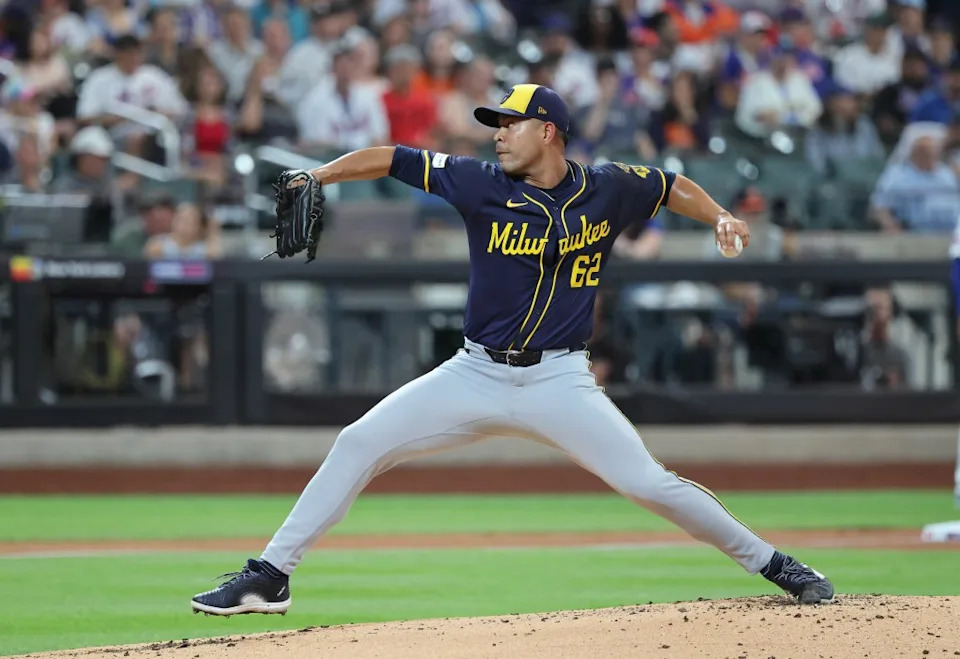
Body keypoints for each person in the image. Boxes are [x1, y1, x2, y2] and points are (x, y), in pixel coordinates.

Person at [190, 83, 834, 616]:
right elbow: (391, 157)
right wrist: (321, 174)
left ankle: (777, 564)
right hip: (473, 373)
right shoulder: (477, 182)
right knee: (358, 441)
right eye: (495, 125)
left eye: (511, 124)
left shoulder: (607, 188)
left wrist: (719, 214)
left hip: (561, 381)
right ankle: (270, 575)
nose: (497, 134)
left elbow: (670, 185)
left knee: (650, 484)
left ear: (548, 131)